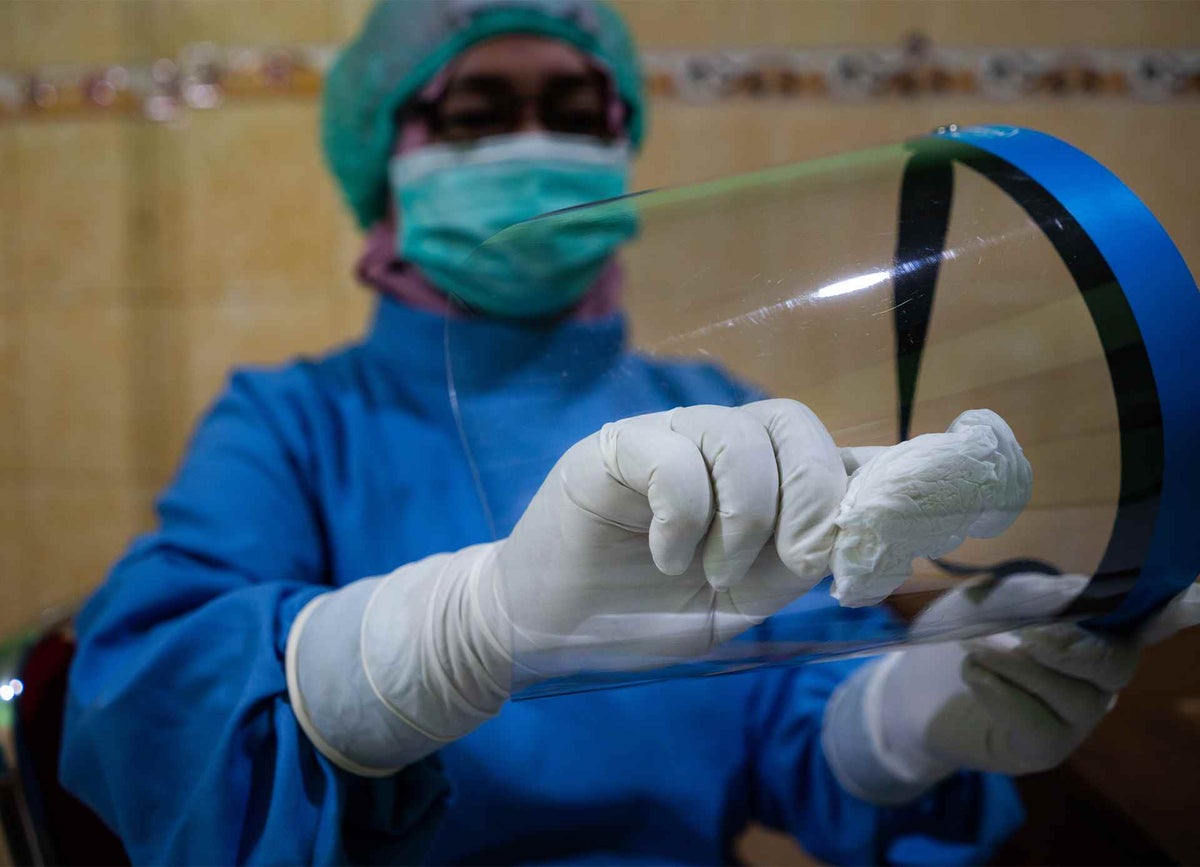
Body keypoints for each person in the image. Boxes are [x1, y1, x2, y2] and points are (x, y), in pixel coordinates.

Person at [60, 2, 1200, 864]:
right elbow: (147, 704)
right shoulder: (292, 420)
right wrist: (462, 627)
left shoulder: (712, 406)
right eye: (477, 112)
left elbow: (788, 730)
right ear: (384, 158)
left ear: (619, 141)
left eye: (569, 111)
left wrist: (907, 719)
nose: (530, 141)